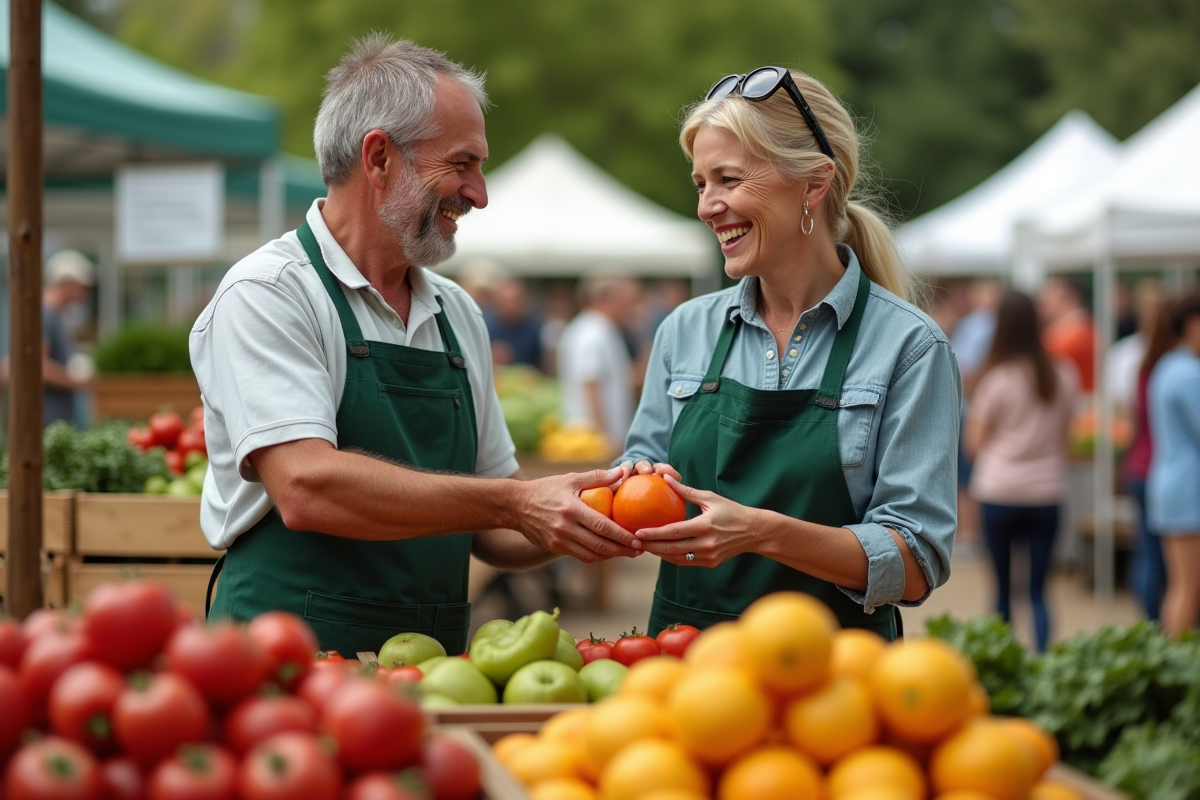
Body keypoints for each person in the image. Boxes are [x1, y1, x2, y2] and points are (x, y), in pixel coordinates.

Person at [191, 35, 637, 656]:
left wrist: (597, 507)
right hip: (283, 667)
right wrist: (516, 501)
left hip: (433, 675)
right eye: (462, 164)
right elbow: (305, 486)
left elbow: (496, 530)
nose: (479, 194)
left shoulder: (457, 313)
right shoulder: (269, 293)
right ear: (379, 158)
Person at [617, 67, 961, 639]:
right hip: (682, 671)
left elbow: (915, 564)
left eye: (728, 179)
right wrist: (627, 486)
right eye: (701, 184)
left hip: (831, 685)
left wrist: (760, 532)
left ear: (813, 183)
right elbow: (644, 482)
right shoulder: (684, 331)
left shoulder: (909, 346)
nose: (707, 206)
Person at [964, 291, 1078, 652]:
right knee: (1039, 591)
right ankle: (1043, 658)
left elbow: (974, 445)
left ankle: (1005, 662)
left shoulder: (996, 378)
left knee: (1001, 589)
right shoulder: (1062, 374)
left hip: (999, 491)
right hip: (1046, 491)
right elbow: (1068, 438)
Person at [1146, 292, 1200, 638]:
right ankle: (1178, 670)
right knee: (1188, 588)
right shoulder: (1189, 373)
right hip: (1187, 487)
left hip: (1171, 481)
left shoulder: (1168, 365)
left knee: (1182, 585)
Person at [1, 250, 96, 426]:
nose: (86, 292)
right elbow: (37, 366)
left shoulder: (53, 315)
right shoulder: (43, 314)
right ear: (66, 283)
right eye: (83, 286)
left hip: (49, 419)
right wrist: (80, 382)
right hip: (42, 420)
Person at [1123, 294, 1174, 621]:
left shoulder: (1143, 368)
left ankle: (1148, 622)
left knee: (1147, 554)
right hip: (1159, 466)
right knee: (1162, 561)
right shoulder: (1174, 370)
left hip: (1139, 466)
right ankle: (1157, 624)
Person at [557, 276, 642, 455]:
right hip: (591, 441)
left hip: (589, 438)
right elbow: (590, 382)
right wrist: (604, 437)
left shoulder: (592, 328)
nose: (626, 308)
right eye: (621, 301)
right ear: (604, 300)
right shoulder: (593, 332)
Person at [1038, 276, 1095, 393]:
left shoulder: (1078, 334)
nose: (1044, 297)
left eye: (1052, 291)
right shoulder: (1079, 329)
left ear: (1070, 298)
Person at [485, 277, 543, 368]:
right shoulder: (486, 328)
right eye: (506, 301)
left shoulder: (534, 329)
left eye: (515, 300)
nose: (511, 306)